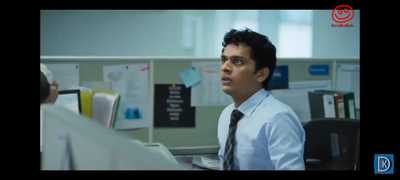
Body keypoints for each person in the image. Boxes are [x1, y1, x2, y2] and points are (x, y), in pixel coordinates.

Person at [217, 28, 305, 170]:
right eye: (224, 60)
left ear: (261, 74)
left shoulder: (278, 118)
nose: (225, 68)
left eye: (237, 61)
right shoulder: (227, 114)